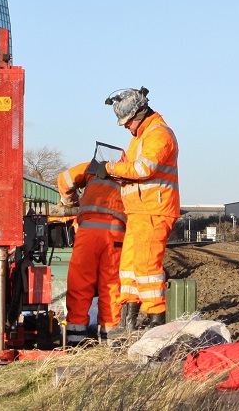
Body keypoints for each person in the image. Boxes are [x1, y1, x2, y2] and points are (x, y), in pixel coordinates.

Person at [96, 87, 179, 336]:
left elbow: (143, 169)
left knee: (146, 267)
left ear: (139, 113)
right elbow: (132, 170)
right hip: (140, 212)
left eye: (127, 122)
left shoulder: (158, 134)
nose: (125, 127)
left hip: (154, 210)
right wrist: (114, 170)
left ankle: (156, 323)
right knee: (129, 267)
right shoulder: (140, 138)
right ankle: (128, 320)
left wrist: (110, 168)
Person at [58, 162, 127, 345]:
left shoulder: (93, 167)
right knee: (112, 285)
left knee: (80, 282)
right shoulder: (130, 171)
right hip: (117, 234)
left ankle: (75, 340)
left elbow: (64, 179)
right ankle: (110, 339)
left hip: (89, 231)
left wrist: (71, 202)